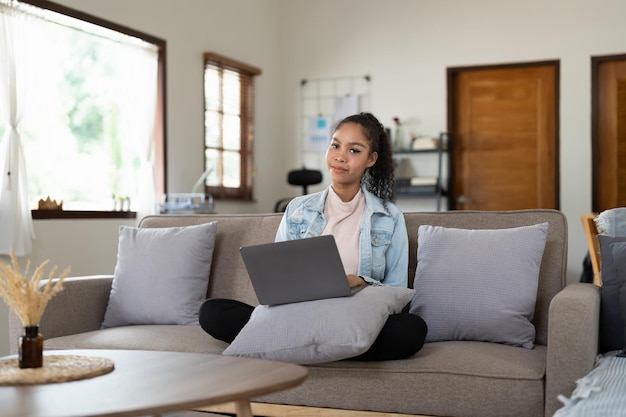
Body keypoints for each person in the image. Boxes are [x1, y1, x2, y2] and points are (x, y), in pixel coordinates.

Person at [199, 112, 428, 361]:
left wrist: (359, 281)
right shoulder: (297, 209)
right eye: (335, 145)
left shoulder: (389, 217)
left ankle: (295, 343)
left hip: (354, 316)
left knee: (411, 329)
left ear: (371, 159)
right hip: (300, 312)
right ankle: (335, 347)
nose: (340, 156)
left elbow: (396, 292)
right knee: (212, 311)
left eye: (354, 150)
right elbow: (278, 277)